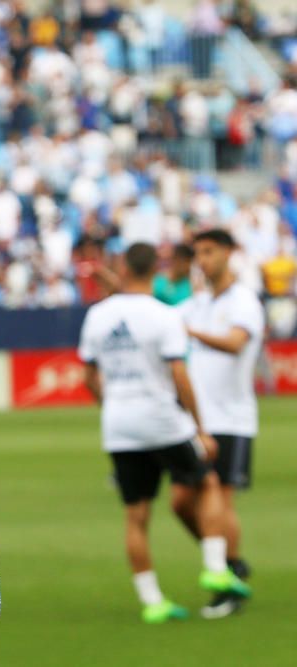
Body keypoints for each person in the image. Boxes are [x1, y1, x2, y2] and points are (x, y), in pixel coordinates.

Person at [77, 242, 251, 624]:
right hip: (161, 418)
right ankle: (216, 565)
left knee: (136, 515)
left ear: (122, 267)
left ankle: (153, 601)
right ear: (155, 269)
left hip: (119, 423)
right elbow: (179, 374)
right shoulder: (164, 314)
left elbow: (89, 376)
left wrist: (110, 406)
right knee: (206, 482)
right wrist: (201, 429)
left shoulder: (97, 315)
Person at [180, 229, 265, 618]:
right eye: (198, 253)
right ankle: (231, 561)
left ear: (230, 253)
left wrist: (190, 333)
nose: (203, 260)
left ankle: (228, 577)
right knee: (181, 502)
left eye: (210, 251)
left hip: (231, 419)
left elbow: (235, 344)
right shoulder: (197, 303)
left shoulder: (243, 301)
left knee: (220, 500)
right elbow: (160, 319)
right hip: (197, 422)